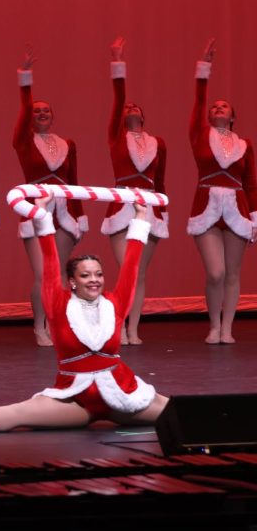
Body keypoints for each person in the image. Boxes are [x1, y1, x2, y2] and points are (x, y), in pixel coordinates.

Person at [0, 199, 167, 435]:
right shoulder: (58, 303)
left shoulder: (115, 303)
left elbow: (131, 267)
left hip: (122, 394)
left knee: (180, 413)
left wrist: (140, 217)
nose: (94, 280)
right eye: (85, 275)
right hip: (75, 399)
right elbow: (50, 262)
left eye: (99, 274)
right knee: (19, 413)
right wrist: (42, 216)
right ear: (72, 281)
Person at [13, 45, 87, 346]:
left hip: (64, 213)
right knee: (44, 273)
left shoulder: (66, 143)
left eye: (46, 110)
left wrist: (80, 216)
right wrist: (26, 78)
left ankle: (59, 324)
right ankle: (39, 326)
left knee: (59, 275)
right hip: (35, 211)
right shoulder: (24, 142)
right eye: (36, 110)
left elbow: (74, 181)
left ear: (52, 116)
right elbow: (22, 114)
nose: (41, 113)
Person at [186, 39, 256, 345]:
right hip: (206, 205)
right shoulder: (200, 135)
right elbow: (199, 102)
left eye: (223, 106)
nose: (216, 108)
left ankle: (227, 328)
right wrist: (205, 67)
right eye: (214, 106)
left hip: (238, 208)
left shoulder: (245, 144)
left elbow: (252, 181)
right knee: (215, 272)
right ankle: (213, 324)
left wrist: (255, 217)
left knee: (232, 273)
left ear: (232, 116)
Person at [102, 37, 167, 346]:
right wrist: (118, 61)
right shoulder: (117, 138)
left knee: (139, 273)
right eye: (126, 106)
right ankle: (117, 326)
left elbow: (162, 182)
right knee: (125, 270)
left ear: (142, 116)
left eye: (134, 106)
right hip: (121, 205)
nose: (129, 107)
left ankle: (133, 329)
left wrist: (163, 214)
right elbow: (118, 99)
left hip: (150, 208)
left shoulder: (158, 143)